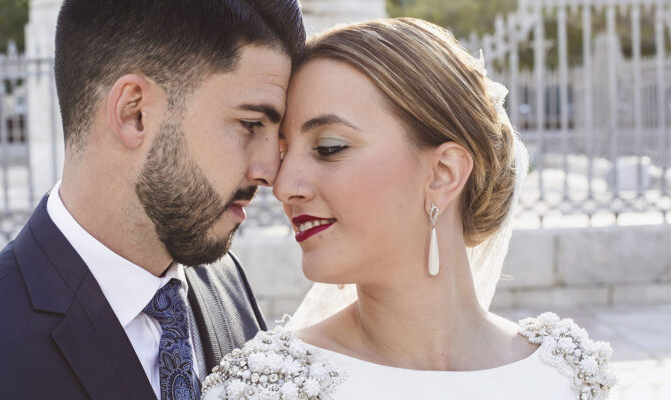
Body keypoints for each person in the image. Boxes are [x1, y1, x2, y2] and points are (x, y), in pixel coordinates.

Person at [0, 1, 304, 399]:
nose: (271, 171)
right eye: (250, 124)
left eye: (278, 134)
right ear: (134, 112)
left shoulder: (224, 279)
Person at [201, 18, 617, 400]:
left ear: (443, 173)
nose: (283, 187)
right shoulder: (264, 386)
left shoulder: (568, 376)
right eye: (284, 153)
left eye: (329, 147)